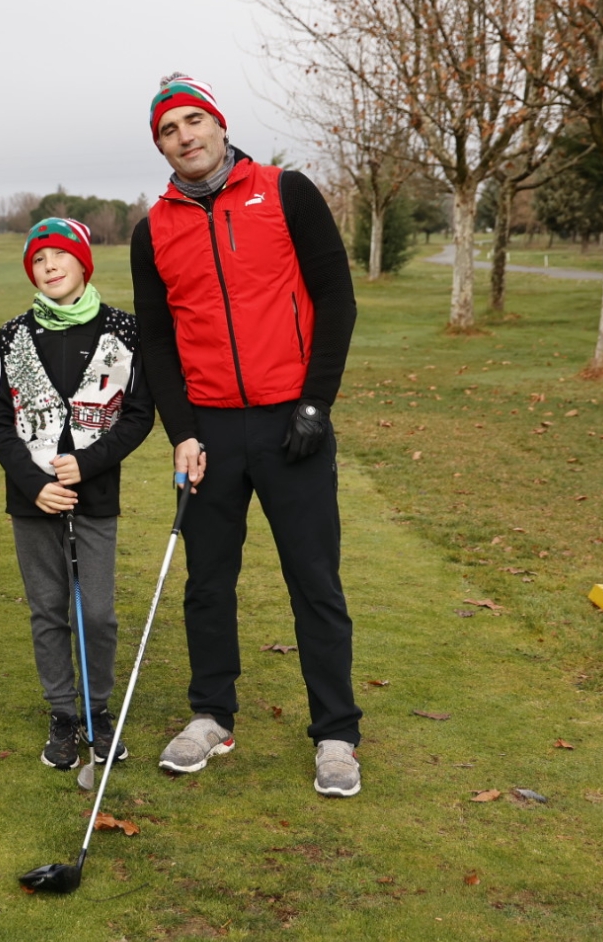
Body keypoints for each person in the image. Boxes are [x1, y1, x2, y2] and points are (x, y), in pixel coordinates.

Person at [129, 73, 362, 796]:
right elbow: (159, 344)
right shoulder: (152, 230)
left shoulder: (287, 192)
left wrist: (316, 405)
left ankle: (335, 733)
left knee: (314, 581)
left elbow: (335, 298)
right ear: (161, 146)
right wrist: (183, 432)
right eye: (170, 130)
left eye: (194, 121)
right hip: (212, 435)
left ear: (220, 125)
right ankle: (210, 715)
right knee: (209, 582)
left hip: (293, 423)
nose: (185, 137)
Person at [0, 218, 154, 770]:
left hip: (95, 499)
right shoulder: (13, 335)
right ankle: (62, 713)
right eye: (38, 260)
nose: (49, 267)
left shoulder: (124, 332)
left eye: (59, 256)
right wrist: (35, 485)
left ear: (83, 262)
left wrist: (86, 464)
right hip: (32, 502)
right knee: (49, 610)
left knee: (97, 613)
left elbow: (138, 415)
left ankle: (97, 709)